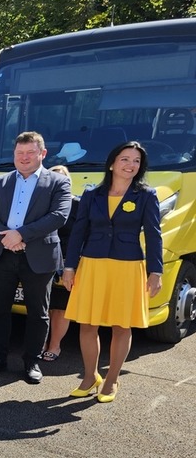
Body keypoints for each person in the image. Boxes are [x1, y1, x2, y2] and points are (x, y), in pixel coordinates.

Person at [63, 142, 162, 402]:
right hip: (93, 265)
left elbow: (154, 236)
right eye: (125, 159)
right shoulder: (92, 195)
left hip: (127, 267)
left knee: (121, 325)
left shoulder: (146, 195)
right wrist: (69, 266)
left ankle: (112, 379)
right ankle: (89, 376)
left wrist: (156, 272)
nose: (130, 165)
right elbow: (78, 233)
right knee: (87, 323)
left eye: (136, 161)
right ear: (111, 163)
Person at [0, 131, 72, 384]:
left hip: (38, 256)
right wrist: (5, 238)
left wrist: (20, 235)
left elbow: (58, 216)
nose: (24, 157)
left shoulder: (58, 182)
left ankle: (32, 361)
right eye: (20, 153)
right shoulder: (0, 182)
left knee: (38, 313)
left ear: (43, 154)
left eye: (30, 152)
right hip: (1, 253)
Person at [42, 165, 74, 361]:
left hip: (66, 262)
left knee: (61, 307)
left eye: (62, 179)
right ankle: (42, 342)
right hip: (43, 261)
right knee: (44, 306)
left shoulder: (77, 204)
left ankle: (55, 345)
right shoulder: (41, 205)